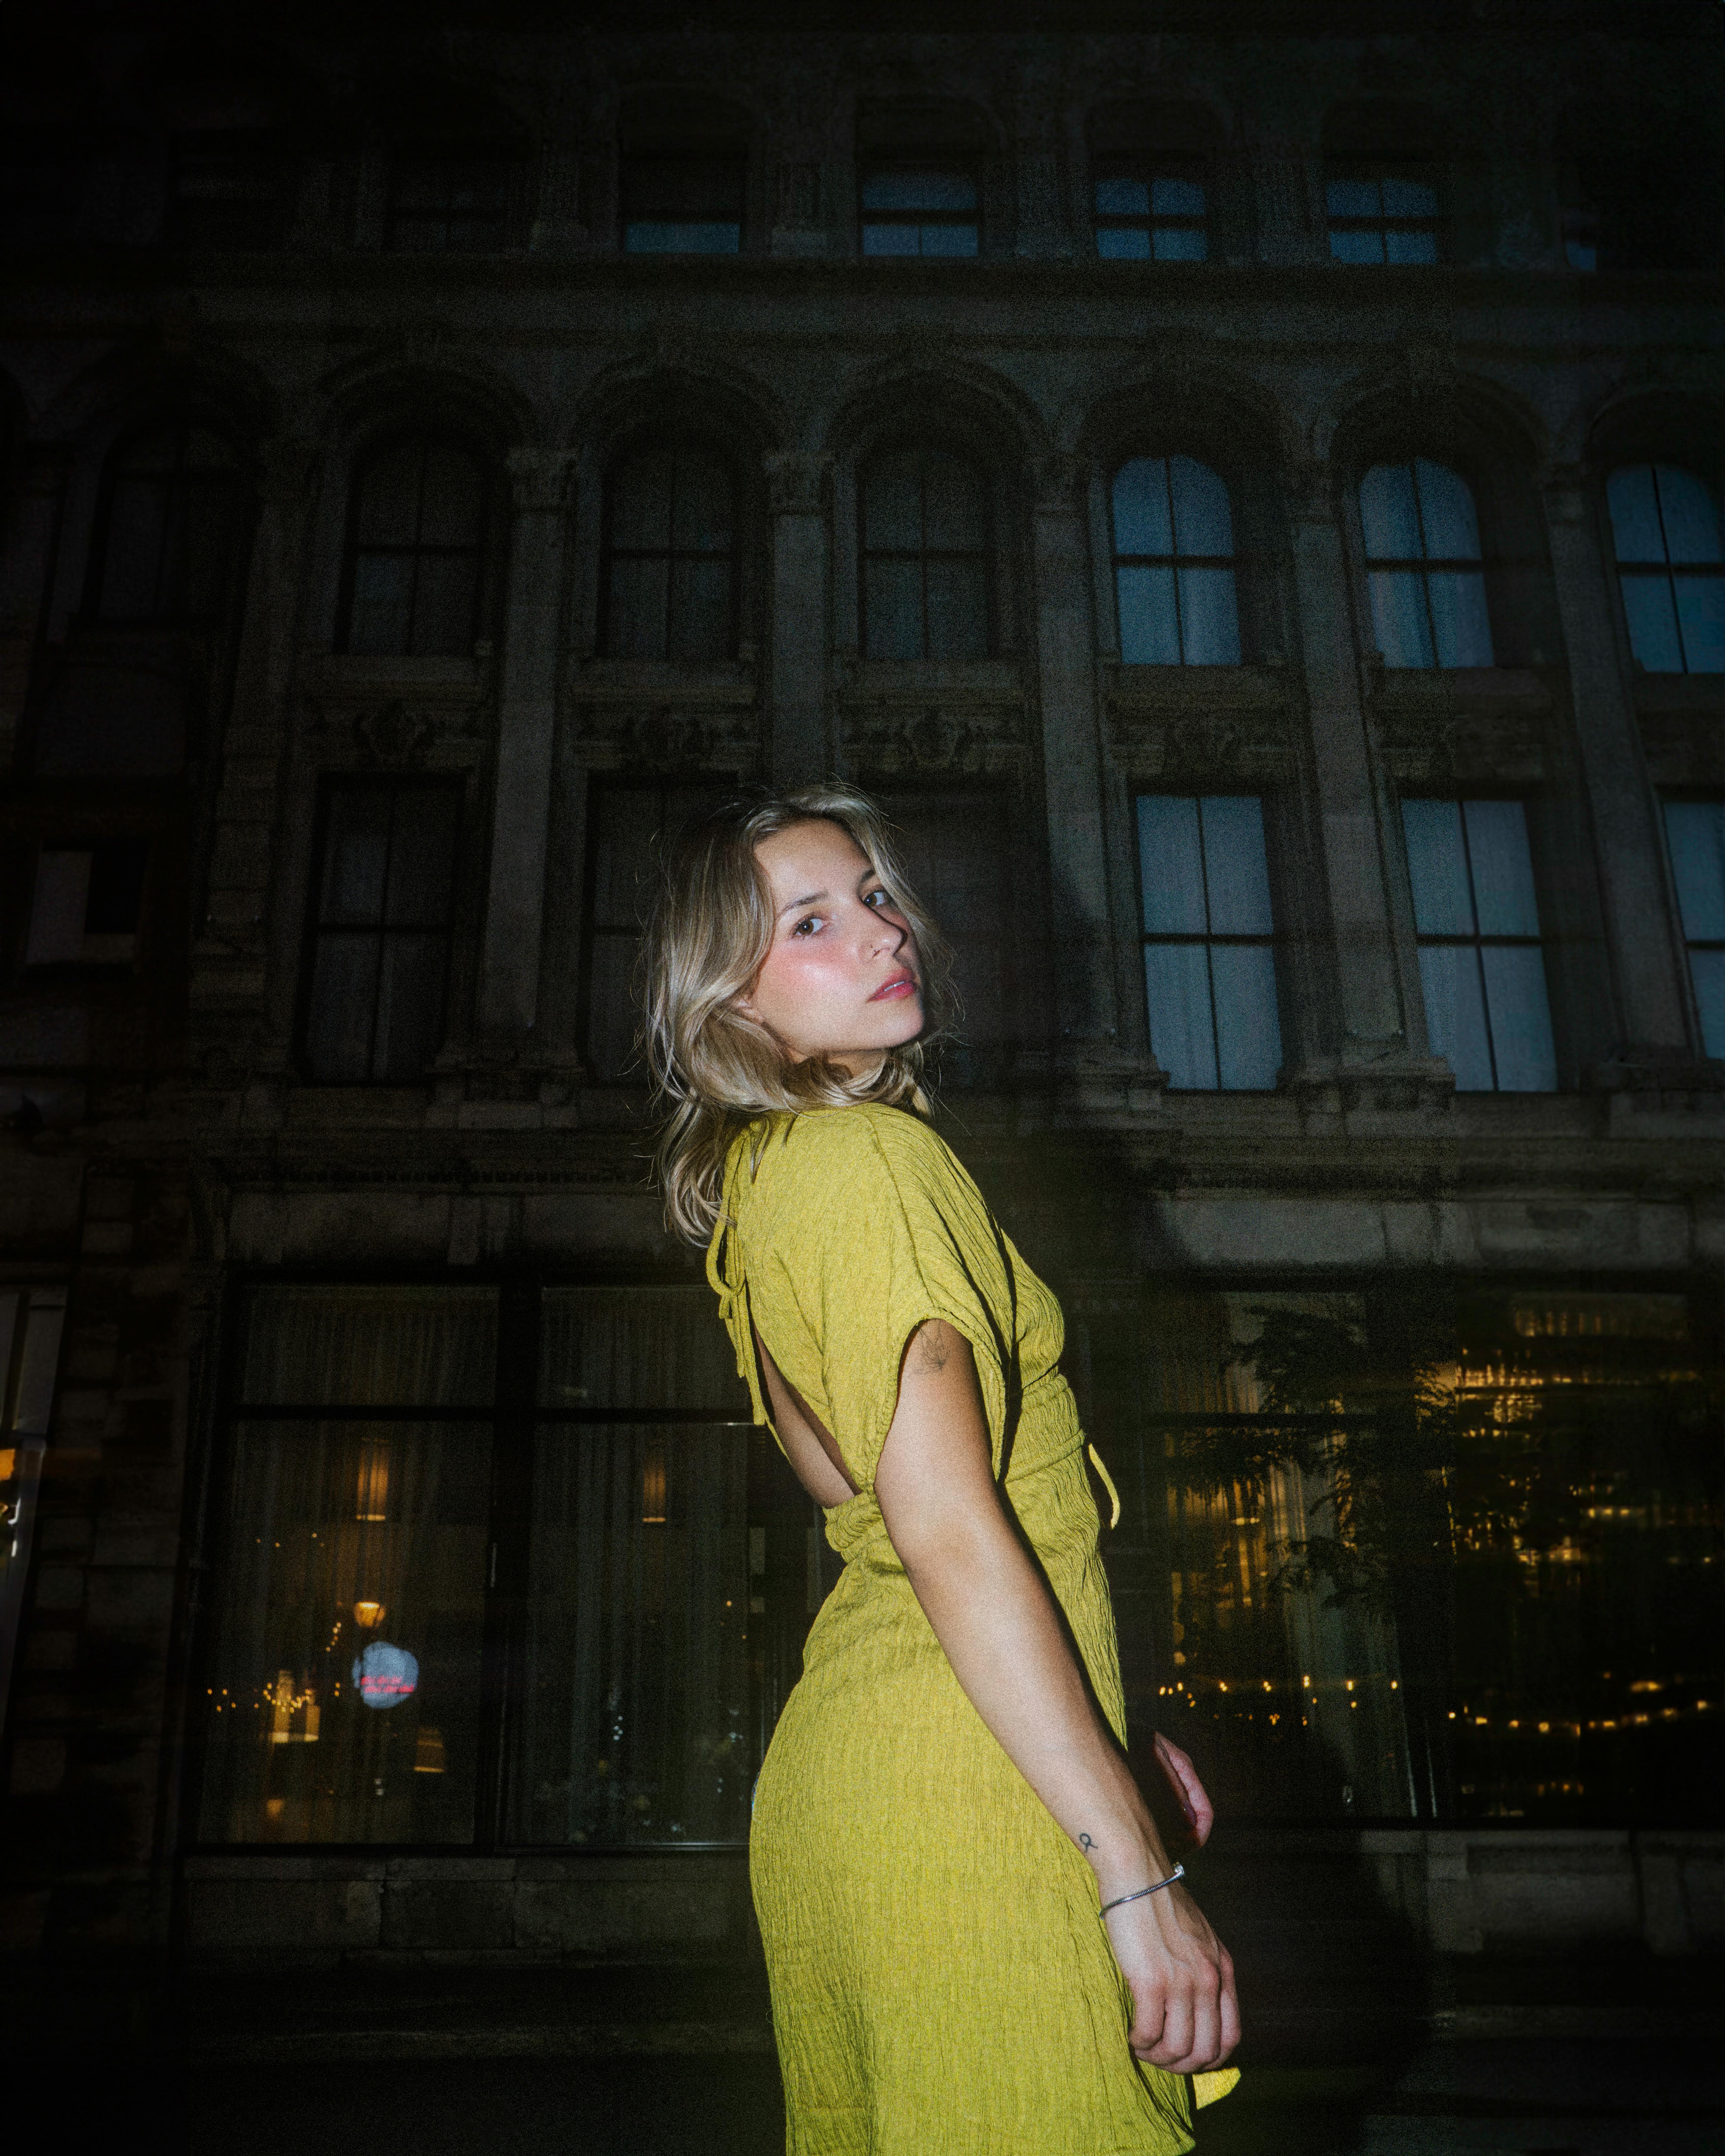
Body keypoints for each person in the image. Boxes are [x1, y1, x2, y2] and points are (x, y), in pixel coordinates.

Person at [644, 783, 1240, 2155]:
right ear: (725, 999)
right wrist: (1132, 1868)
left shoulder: (765, 1189)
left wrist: (1100, 1722)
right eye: (809, 920)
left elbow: (880, 1526)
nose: (877, 931)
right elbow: (945, 1532)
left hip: (867, 1782)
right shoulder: (866, 1165)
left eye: (872, 895)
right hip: (959, 1799)